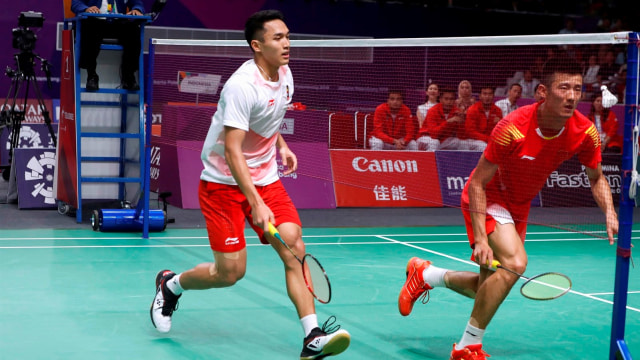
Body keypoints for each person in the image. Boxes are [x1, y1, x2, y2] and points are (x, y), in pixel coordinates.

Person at [149, 10, 351, 360]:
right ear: (257, 46)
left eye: (288, 36)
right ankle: (171, 284)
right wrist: (255, 201)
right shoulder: (242, 86)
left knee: (293, 247)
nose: (287, 43)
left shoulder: (285, 74)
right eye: (278, 38)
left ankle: (312, 336)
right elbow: (231, 150)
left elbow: (271, 119)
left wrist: (282, 147)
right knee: (230, 273)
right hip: (222, 184)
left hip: (265, 176)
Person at [398, 56, 618, 359]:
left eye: (577, 89)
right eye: (563, 88)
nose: (571, 96)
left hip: (519, 206)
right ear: (543, 92)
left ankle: (426, 275)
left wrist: (609, 210)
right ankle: (466, 347)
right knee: (514, 264)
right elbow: (476, 183)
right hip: (488, 198)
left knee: (488, 287)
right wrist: (481, 239)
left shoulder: (584, 133)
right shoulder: (512, 127)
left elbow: (596, 178)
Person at [71, 0, 145, 91]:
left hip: (118, 23)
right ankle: (91, 75)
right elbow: (76, 3)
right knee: (89, 29)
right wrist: (86, 9)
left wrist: (137, 9)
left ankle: (128, 76)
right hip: (94, 22)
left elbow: (137, 2)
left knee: (133, 31)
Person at [462, 86, 503, 152]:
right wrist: (488, 139)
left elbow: (499, 132)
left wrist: (499, 124)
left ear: (493, 96)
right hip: (473, 140)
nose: (487, 97)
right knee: (484, 146)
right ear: (480, 96)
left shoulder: (497, 110)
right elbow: (470, 132)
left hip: (491, 141)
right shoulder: (472, 109)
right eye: (485, 94)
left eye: (490, 94)